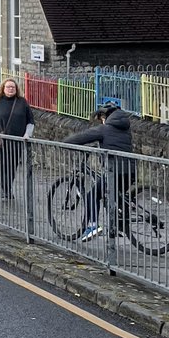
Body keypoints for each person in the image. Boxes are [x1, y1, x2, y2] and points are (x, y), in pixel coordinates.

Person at [64, 102, 136, 242]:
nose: (102, 121)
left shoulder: (104, 129)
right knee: (116, 197)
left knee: (92, 195)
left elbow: (82, 136)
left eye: (102, 118)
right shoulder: (125, 129)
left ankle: (92, 226)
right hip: (131, 170)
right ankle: (119, 226)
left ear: (106, 117)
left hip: (114, 171)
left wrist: (64, 143)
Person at [0, 78, 35, 199]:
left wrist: (27, 134)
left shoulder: (22, 102)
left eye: (13, 87)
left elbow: (30, 121)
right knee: (2, 165)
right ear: (3, 89)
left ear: (16, 89)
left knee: (13, 165)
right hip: (1, 141)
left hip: (16, 140)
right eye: (8, 87)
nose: (11, 89)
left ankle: (7, 187)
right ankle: (4, 189)